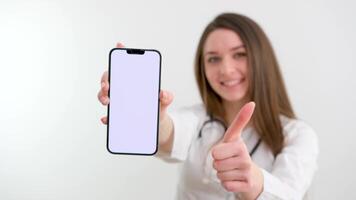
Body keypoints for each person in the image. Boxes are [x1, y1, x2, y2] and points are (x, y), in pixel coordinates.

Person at [98, 13, 318, 200]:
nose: (226, 69)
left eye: (239, 54)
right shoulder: (196, 118)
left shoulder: (298, 135)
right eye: (213, 59)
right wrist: (151, 116)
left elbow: (290, 193)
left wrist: (253, 180)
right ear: (202, 67)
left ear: (261, 59)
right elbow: (169, 134)